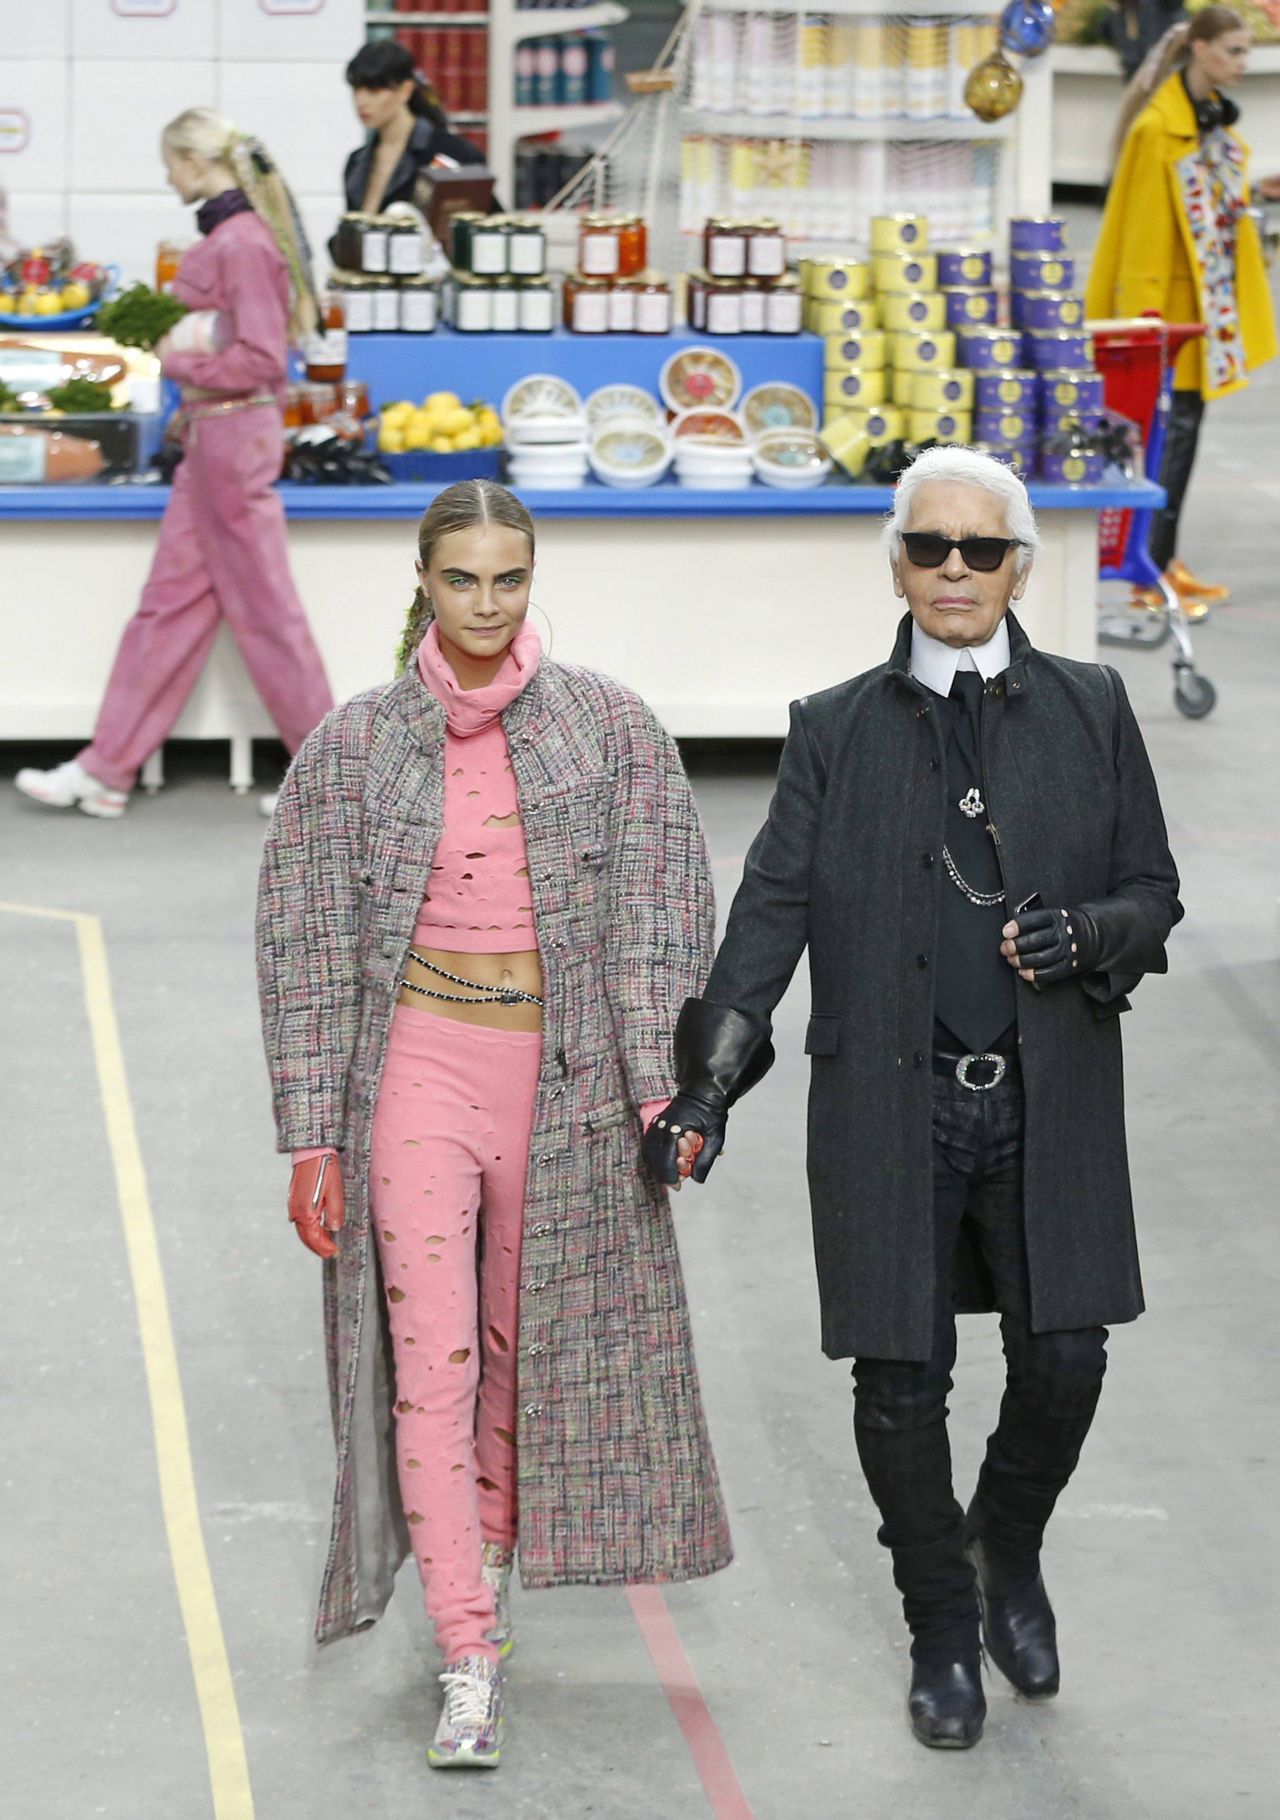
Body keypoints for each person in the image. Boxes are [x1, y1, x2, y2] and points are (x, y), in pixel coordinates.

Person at [645, 446, 1182, 1750]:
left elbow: (1153, 892)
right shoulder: (834, 726)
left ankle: (1006, 1543)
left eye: (981, 550)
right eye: (931, 548)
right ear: (897, 562)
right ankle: (943, 1623)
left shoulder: (1092, 706)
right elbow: (773, 901)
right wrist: (706, 1086)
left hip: (1049, 1099)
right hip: (888, 1103)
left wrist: (1091, 936)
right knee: (901, 1379)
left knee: (1067, 1355)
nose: (955, 570)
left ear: (1018, 570)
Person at [256, 481, 730, 1770]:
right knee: (432, 1364)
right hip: (413, 1071)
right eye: (459, 580)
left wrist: (660, 1089)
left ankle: (491, 1569)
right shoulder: (353, 748)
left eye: (505, 580)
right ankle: (466, 1645)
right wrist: (311, 1129)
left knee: (526, 1354)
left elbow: (658, 911)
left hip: (561, 1086)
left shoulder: (609, 731)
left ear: (533, 581)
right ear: (422, 580)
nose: (483, 605)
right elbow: (302, 939)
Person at [15, 107, 332, 820]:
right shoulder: (238, 236)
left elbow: (258, 359)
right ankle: (106, 770)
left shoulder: (242, 244)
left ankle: (327, 787)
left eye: (170, 163)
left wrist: (168, 355)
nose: (166, 177)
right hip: (212, 442)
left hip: (231, 441)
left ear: (196, 163)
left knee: (267, 615)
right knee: (168, 612)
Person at [1086, 8, 1277, 614]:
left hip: (1201, 312)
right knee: (1165, 441)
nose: (1242, 62)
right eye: (1232, 50)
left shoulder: (1211, 125)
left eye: (1246, 51)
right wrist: (1146, 327)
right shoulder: (1158, 131)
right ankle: (1150, 575)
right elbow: (1138, 241)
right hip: (1167, 317)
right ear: (1198, 48)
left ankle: (1162, 563)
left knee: (1181, 439)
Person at [342, 40, 489, 219]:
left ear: (405, 90)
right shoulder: (356, 163)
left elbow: (484, 224)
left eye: (375, 90)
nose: (361, 101)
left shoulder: (452, 153)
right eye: (356, 89)